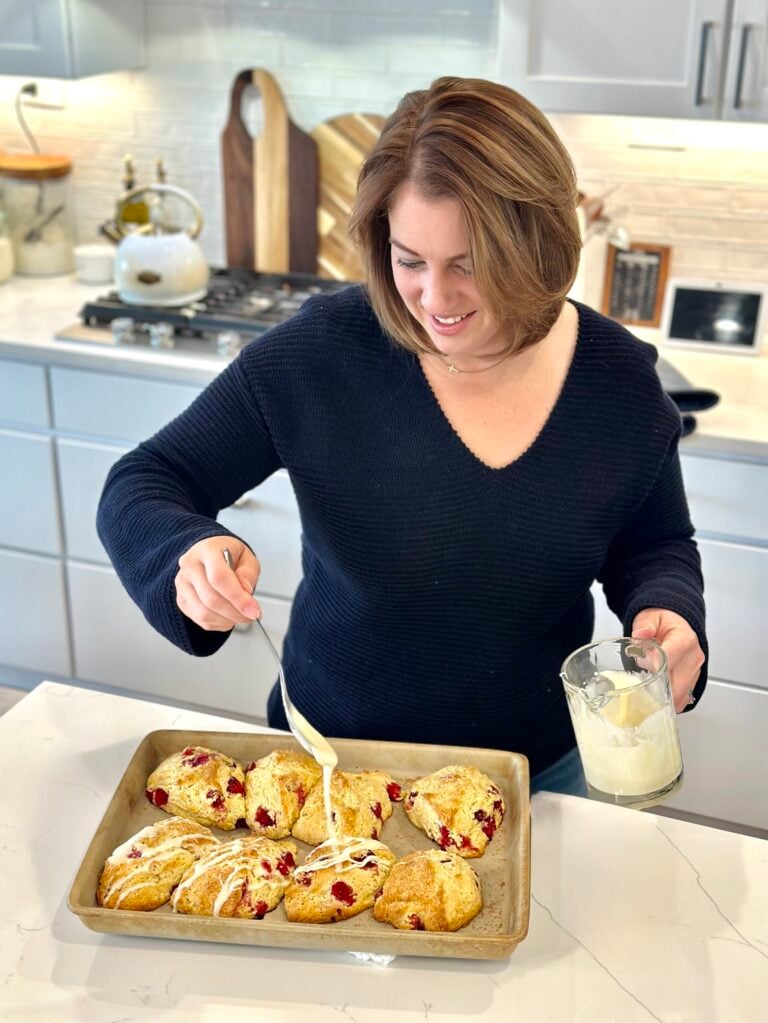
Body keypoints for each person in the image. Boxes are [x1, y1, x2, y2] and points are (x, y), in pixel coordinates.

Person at [97, 77, 706, 797]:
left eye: (471, 265)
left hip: (536, 780)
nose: (435, 301)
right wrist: (185, 551)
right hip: (331, 772)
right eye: (410, 260)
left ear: (538, 244)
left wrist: (667, 606)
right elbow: (147, 478)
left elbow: (655, 543)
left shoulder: (616, 381)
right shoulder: (322, 353)